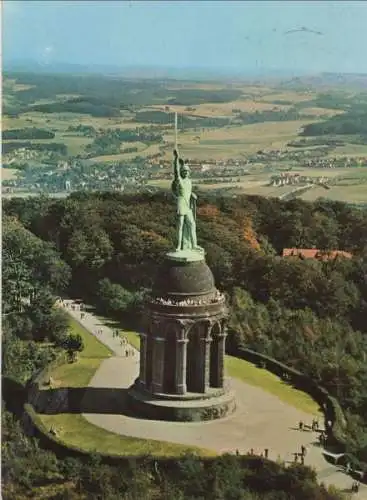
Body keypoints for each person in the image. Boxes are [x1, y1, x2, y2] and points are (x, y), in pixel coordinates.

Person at [172, 149, 200, 252]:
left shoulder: (189, 181)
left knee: (192, 224)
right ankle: (178, 246)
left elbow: (188, 191)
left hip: (188, 206)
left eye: (187, 171)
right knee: (180, 226)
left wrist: (192, 194)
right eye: (184, 171)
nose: (185, 173)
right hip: (181, 204)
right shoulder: (179, 180)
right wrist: (176, 158)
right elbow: (175, 171)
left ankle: (194, 245)